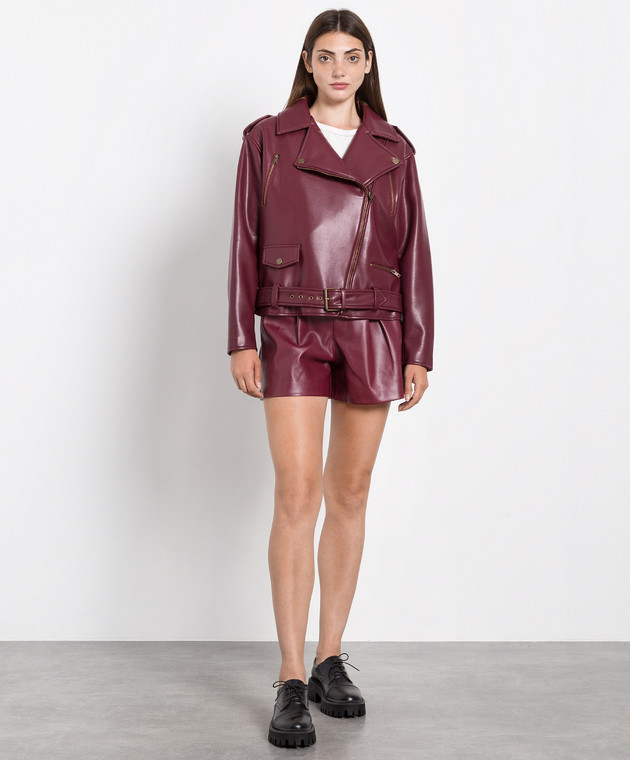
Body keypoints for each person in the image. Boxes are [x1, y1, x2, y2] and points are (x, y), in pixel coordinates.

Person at [226, 8, 434, 748]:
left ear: (368, 64)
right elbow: (244, 238)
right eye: (326, 56)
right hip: (290, 325)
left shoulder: (394, 148)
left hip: (374, 326)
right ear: (308, 64)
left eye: (352, 55)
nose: (339, 68)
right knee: (297, 494)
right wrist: (240, 337)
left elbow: (415, 250)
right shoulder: (268, 139)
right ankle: (289, 677)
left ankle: (329, 659)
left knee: (350, 493)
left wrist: (419, 346)